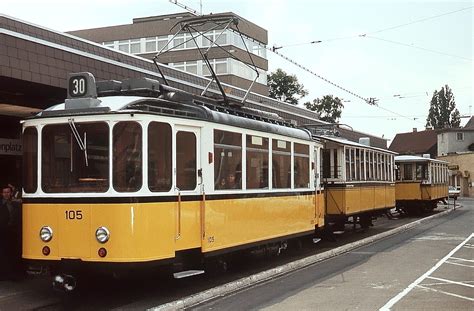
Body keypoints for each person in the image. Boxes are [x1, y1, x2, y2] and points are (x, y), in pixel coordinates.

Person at [1, 186, 23, 279]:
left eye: (8, 192)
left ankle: (14, 274)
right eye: (4, 192)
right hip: (2, 232)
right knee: (3, 254)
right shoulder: (1, 204)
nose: (6, 194)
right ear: (2, 194)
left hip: (13, 232)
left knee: (13, 253)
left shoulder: (15, 204)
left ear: (11, 193)